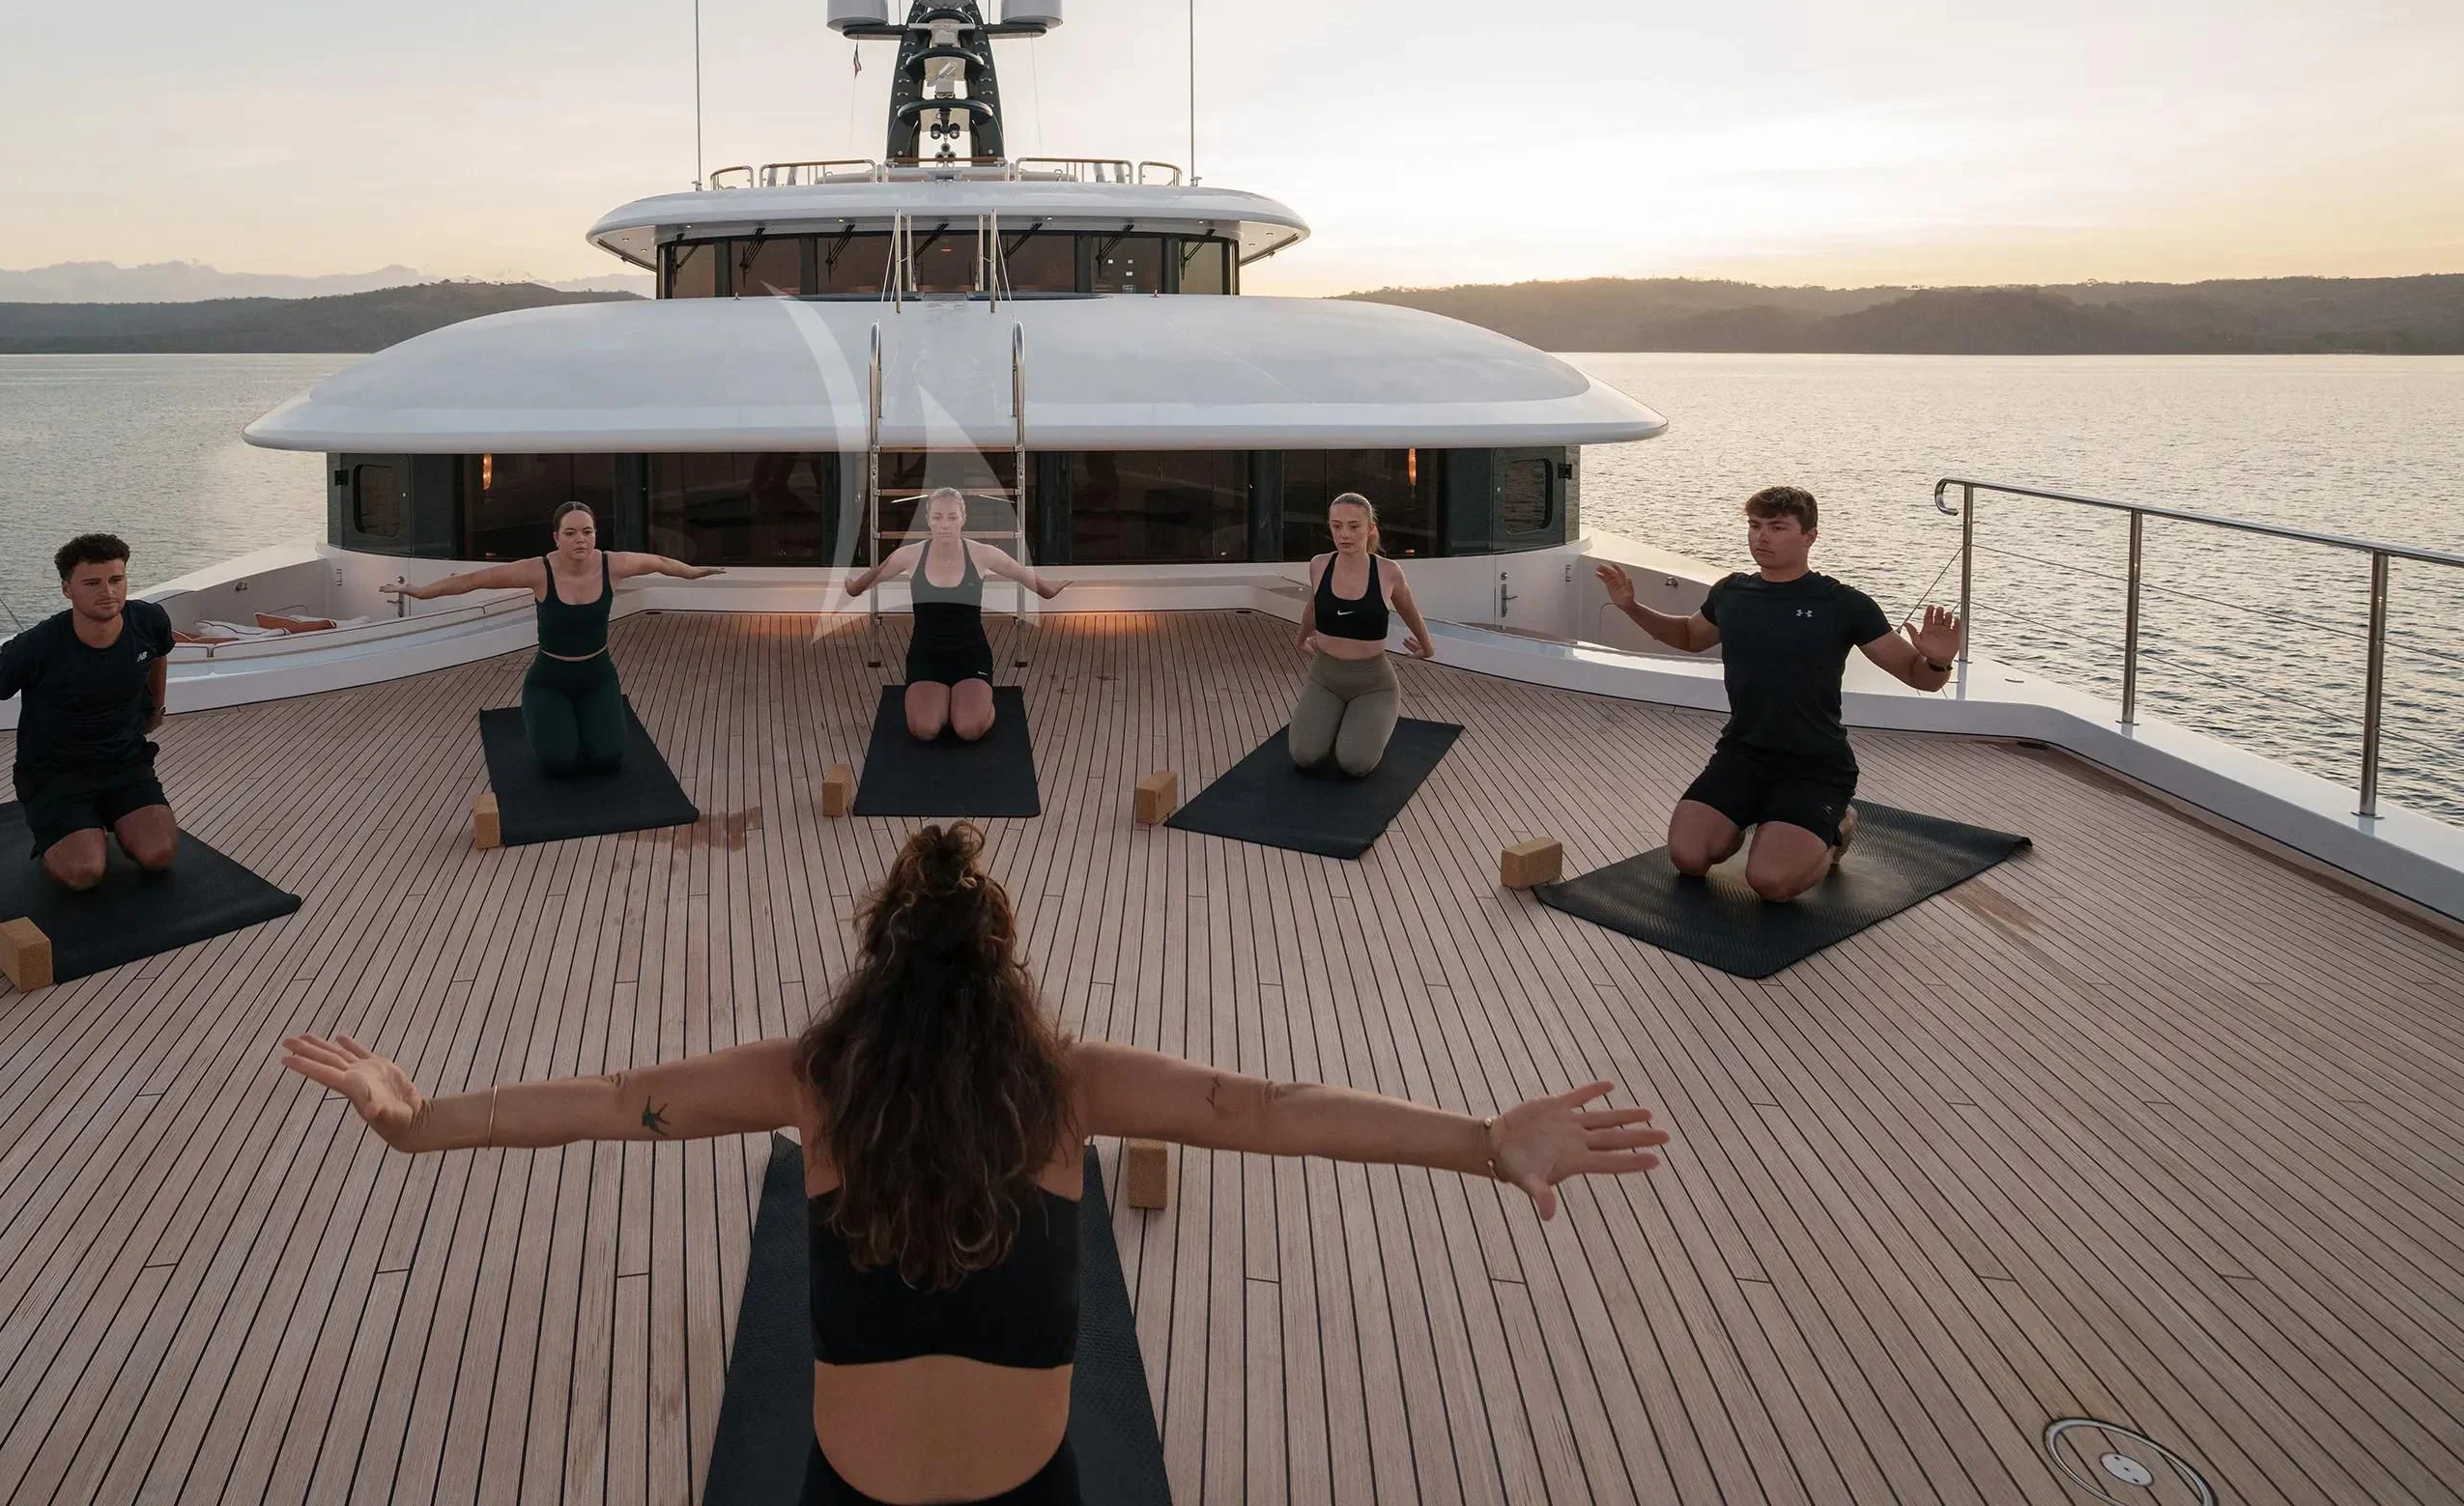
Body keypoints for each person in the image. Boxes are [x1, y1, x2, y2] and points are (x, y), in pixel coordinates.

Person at [281, 821, 1664, 1506]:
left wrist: (424, 1117)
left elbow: (601, 1102)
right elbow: (1274, 1108)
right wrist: (1483, 1144)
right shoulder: (1068, 1086)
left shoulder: (811, 1081)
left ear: (873, 963)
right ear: (1005, 970)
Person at [1594, 485, 1963, 901]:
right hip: (1743, 754)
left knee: (1771, 883)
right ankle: (1759, 820)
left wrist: (1936, 661)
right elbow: (1687, 635)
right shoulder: (1732, 592)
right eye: (1755, 526)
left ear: (1809, 536)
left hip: (1814, 766)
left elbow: (1920, 677)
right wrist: (1630, 606)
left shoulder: (1843, 604)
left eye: (1777, 527)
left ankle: (1836, 826)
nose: (1761, 537)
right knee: (1689, 858)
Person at [383, 501, 719, 777]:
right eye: (570, 533)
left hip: (598, 677)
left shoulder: (611, 565)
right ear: (556, 537)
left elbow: (657, 562)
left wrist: (692, 572)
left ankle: (581, 719)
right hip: (550, 680)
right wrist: (419, 591)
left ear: (595, 534)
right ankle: (542, 716)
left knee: (607, 757)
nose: (580, 540)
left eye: (587, 532)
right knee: (559, 763)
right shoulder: (538, 570)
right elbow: (474, 580)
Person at [0, 530, 179, 890]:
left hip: (124, 763)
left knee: (159, 855)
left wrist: (155, 708)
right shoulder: (38, 647)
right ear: (67, 589)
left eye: (116, 580)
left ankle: (108, 818)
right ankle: (69, 831)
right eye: (92, 583)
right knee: (84, 873)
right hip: (56, 775)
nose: (107, 592)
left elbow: (159, 653)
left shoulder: (149, 621)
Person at [844, 487, 1063, 743]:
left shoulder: (982, 554)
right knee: (924, 730)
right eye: (937, 517)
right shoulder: (910, 555)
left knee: (968, 730)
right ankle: (945, 703)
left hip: (970, 657)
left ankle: (970, 704)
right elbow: (870, 578)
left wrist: (1050, 591)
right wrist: (851, 587)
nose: (945, 524)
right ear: (928, 520)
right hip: (926, 657)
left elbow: (1022, 574)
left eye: (951, 516)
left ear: (963, 519)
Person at [1291, 491, 1435, 776]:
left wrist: (1427, 647)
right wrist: (1300, 638)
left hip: (1373, 684)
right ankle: (1341, 719)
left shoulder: (1388, 571)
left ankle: (1368, 721)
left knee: (1354, 764)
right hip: (1325, 676)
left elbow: (1409, 609)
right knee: (1305, 756)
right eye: (1336, 526)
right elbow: (1314, 607)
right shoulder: (1319, 564)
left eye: (1353, 526)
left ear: (1370, 529)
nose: (1344, 534)